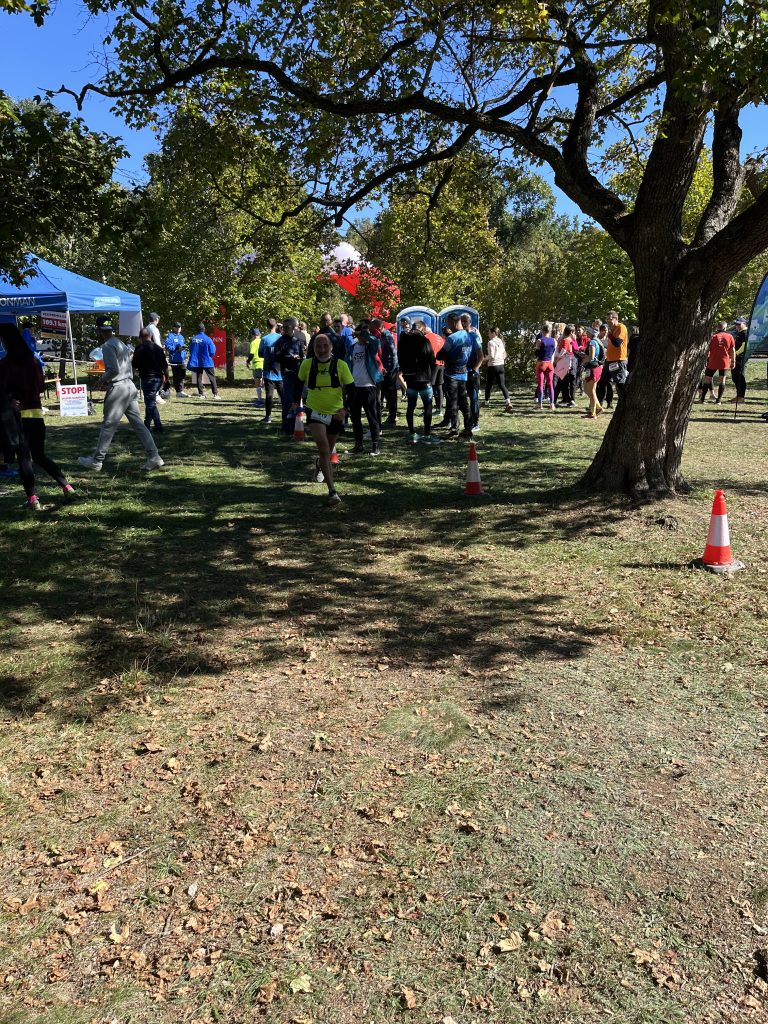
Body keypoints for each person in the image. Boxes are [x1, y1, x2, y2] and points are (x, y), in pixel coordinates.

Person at [0, 324, 76, 511]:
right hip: (36, 413)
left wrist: (12, 396)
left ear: (6, 341)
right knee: (40, 456)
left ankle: (33, 500)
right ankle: (67, 487)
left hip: (18, 417)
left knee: (24, 458)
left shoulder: (6, 364)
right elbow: (41, 387)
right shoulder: (34, 361)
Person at [77, 317, 163, 472]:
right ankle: (154, 456)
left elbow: (113, 370)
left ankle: (97, 460)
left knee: (108, 425)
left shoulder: (107, 346)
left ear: (98, 330)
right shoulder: (119, 343)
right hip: (129, 386)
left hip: (119, 388)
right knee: (138, 424)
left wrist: (101, 380)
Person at [297, 332, 354, 506]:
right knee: (323, 448)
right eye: (318, 346)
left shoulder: (341, 365)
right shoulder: (307, 364)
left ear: (331, 347)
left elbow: (352, 390)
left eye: (325, 346)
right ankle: (332, 491)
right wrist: (294, 402)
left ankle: (320, 464)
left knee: (327, 451)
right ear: (313, 348)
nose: (321, 350)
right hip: (314, 410)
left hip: (336, 413)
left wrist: (345, 410)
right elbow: (298, 383)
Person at [398, 319, 440, 444]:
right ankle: (427, 434)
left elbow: (399, 358)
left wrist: (405, 372)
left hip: (410, 378)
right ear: (422, 329)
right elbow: (432, 360)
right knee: (427, 406)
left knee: (411, 406)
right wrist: (431, 377)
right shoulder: (424, 341)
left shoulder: (403, 340)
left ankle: (412, 433)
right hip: (423, 378)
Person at [435, 315, 477, 436]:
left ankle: (454, 428)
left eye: (448, 323)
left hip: (452, 374)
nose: (448, 326)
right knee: (463, 401)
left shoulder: (452, 338)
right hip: (464, 373)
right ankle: (468, 428)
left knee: (452, 401)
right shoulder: (469, 336)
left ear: (453, 323)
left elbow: (440, 355)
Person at [348, 319, 382, 455]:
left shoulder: (370, 346)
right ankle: (358, 445)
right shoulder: (353, 347)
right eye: (362, 332)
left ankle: (375, 445)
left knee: (371, 416)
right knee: (355, 417)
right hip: (355, 386)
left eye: (366, 332)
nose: (364, 335)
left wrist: (364, 334)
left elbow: (375, 341)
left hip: (368, 385)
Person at [132, 326, 170, 432]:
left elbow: (134, 364)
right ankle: (147, 424)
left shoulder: (139, 348)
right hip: (158, 378)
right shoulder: (158, 348)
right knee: (150, 401)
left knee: (150, 403)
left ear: (140, 337)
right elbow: (165, 366)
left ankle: (157, 425)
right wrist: (167, 379)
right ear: (151, 335)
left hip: (147, 378)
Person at [273, 317, 306, 435]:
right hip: (287, 373)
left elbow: (302, 355)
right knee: (287, 400)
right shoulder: (280, 341)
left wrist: (300, 358)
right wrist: (290, 358)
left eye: (287, 327)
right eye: (283, 327)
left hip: (298, 373)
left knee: (298, 400)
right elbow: (276, 357)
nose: (285, 329)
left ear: (293, 327)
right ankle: (287, 427)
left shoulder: (298, 340)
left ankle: (297, 425)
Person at [370, 318, 399, 428]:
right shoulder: (379, 336)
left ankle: (392, 417)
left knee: (391, 393)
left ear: (380, 327)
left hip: (390, 369)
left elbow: (393, 353)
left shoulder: (387, 336)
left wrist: (392, 369)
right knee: (386, 393)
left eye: (374, 328)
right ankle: (391, 416)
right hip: (383, 369)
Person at [699, 321, 735, 404]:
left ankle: (702, 399)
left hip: (713, 360)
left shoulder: (712, 336)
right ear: (725, 328)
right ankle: (718, 401)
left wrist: (705, 360)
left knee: (707, 379)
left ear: (717, 327)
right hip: (724, 361)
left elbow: (707, 350)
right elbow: (732, 350)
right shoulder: (730, 336)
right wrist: (733, 361)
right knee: (722, 380)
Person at [461, 314, 483, 431]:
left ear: (469, 322)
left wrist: (474, 370)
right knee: (461, 398)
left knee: (473, 397)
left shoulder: (474, 336)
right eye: (461, 321)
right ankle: (464, 421)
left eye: (465, 321)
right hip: (461, 371)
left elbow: (481, 357)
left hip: (472, 372)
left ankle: (475, 422)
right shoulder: (460, 336)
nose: (463, 323)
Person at [259, 318, 283, 424]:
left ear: (267, 326)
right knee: (283, 395)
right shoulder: (281, 338)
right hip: (280, 371)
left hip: (268, 372)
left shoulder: (264, 339)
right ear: (276, 325)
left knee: (269, 395)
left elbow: (260, 353)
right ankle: (286, 416)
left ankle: (268, 417)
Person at [187, 323, 220, 399]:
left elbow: (190, 349)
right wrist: (211, 355)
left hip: (197, 362)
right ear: (204, 329)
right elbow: (212, 351)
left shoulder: (193, 339)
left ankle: (201, 394)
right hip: (207, 361)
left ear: (197, 330)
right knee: (212, 377)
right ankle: (215, 394)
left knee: (198, 377)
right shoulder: (207, 339)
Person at [483, 326, 512, 411]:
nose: (488, 334)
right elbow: (504, 354)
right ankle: (508, 402)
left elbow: (492, 355)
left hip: (493, 366)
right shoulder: (500, 341)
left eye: (489, 333)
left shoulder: (491, 342)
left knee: (488, 384)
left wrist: (484, 359)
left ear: (493, 333)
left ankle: (486, 402)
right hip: (501, 365)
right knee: (502, 385)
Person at [603, 310, 629, 400]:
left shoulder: (621, 327)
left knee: (620, 383)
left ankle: (624, 402)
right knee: (603, 381)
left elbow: (617, 343)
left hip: (619, 360)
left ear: (616, 318)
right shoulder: (612, 329)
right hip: (609, 360)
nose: (608, 321)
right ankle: (602, 404)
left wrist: (610, 335)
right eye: (607, 319)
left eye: (610, 319)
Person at [581, 330, 605, 418]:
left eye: (588, 331)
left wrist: (583, 359)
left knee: (589, 390)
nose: (586, 333)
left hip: (592, 368)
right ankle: (594, 410)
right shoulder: (598, 341)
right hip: (597, 368)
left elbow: (592, 357)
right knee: (591, 390)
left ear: (591, 333)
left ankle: (595, 411)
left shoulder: (592, 342)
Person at [534, 321, 557, 411]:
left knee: (541, 384)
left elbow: (537, 354)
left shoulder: (539, 340)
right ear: (550, 331)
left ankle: (540, 404)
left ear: (542, 331)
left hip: (541, 363)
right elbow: (553, 352)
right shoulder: (554, 341)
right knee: (550, 384)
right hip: (549, 363)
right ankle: (552, 404)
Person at [553, 326, 577, 408]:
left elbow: (574, 349)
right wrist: (556, 361)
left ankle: (557, 400)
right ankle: (553, 401)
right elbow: (563, 352)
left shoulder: (567, 340)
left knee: (562, 382)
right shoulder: (566, 340)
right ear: (571, 332)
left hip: (566, 364)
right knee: (560, 383)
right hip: (564, 364)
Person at [164, 321, 189, 396]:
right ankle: (178, 391)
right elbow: (167, 346)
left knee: (182, 374)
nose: (178, 328)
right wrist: (175, 348)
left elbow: (183, 347)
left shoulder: (181, 337)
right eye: (176, 327)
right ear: (173, 328)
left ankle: (181, 391)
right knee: (176, 376)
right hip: (174, 359)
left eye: (179, 327)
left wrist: (184, 351)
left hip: (181, 359)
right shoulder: (170, 336)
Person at [730, 317, 748, 405]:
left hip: (741, 358)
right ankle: (738, 395)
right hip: (736, 358)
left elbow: (744, 346)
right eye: (736, 324)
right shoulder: (739, 333)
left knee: (740, 377)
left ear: (744, 324)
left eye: (739, 324)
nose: (737, 325)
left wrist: (736, 353)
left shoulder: (745, 333)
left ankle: (741, 397)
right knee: (735, 377)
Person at [246, 327, 264, 406]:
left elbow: (252, 354)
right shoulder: (263, 341)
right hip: (265, 364)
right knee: (265, 382)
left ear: (253, 335)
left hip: (257, 364)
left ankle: (260, 400)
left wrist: (248, 361)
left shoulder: (253, 343)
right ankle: (268, 399)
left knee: (257, 382)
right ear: (259, 334)